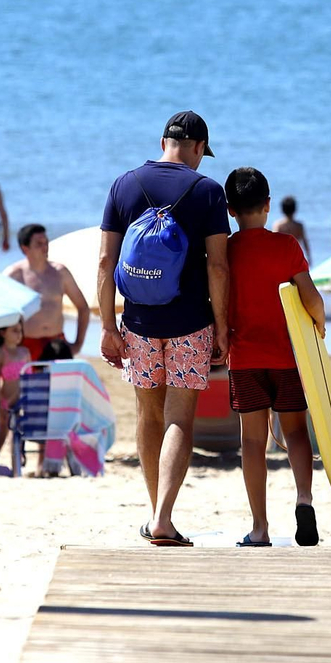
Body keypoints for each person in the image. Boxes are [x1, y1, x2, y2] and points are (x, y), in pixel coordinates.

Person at [98, 111, 230, 547]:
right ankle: (163, 518)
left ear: (162, 142)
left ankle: (156, 512)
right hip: (191, 322)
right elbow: (219, 266)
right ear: (197, 147)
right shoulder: (208, 192)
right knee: (179, 418)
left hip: (137, 321)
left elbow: (104, 263)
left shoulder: (124, 185)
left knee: (148, 414)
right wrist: (223, 326)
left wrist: (106, 327)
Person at [223, 167, 325, 547]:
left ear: (231, 210)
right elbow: (310, 296)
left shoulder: (227, 250)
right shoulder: (286, 246)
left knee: (252, 441)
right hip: (286, 357)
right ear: (268, 205)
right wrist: (321, 323)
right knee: (296, 431)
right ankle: (303, 498)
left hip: (244, 357)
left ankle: (260, 527)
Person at [5, 224, 90, 361]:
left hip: (56, 343)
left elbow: (83, 307)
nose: (45, 247)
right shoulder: (14, 275)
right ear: (25, 248)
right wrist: (5, 345)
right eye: (39, 244)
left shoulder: (60, 272)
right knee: (28, 383)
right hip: (25, 344)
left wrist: (78, 344)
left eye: (46, 242)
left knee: (61, 382)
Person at [0, 320, 32, 471]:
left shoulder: (25, 352)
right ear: (2, 333)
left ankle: (16, 468)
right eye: (14, 330)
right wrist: (0, 403)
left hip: (24, 401)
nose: (19, 334)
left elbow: (30, 379)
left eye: (20, 330)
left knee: (17, 438)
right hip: (6, 402)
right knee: (1, 436)